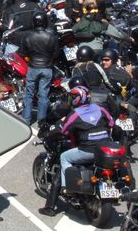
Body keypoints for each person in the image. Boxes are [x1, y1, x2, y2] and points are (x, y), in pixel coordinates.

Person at [40, 85, 115, 216]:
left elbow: (63, 131)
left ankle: (66, 188)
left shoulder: (75, 115)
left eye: (72, 97)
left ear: (77, 99)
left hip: (88, 150)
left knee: (64, 157)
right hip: (105, 150)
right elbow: (111, 123)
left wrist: (49, 135)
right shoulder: (101, 109)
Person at [21, 10, 58, 125]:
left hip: (33, 67)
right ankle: (41, 120)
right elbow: (56, 53)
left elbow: (23, 53)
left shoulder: (28, 36)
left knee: (29, 94)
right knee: (43, 95)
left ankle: (26, 119)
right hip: (47, 68)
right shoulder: (51, 36)